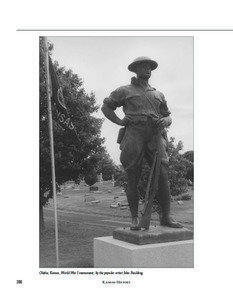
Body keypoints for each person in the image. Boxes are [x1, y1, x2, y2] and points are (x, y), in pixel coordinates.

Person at [101, 56, 182, 230]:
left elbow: (167, 114)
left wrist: (166, 121)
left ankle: (166, 217)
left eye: (150, 67)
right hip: (134, 134)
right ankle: (134, 219)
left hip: (155, 134)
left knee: (163, 176)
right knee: (133, 177)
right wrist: (119, 121)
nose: (148, 69)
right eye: (144, 66)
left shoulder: (158, 94)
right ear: (135, 69)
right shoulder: (124, 90)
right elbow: (106, 107)